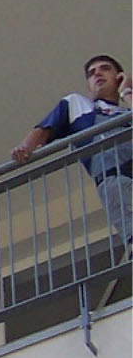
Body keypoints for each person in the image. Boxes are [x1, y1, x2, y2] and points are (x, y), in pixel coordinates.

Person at [12, 54, 133, 248]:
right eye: (91, 73)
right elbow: (43, 129)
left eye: (105, 69)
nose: (97, 74)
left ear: (118, 77)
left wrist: (126, 91)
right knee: (119, 202)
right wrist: (25, 147)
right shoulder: (78, 104)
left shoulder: (127, 111)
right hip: (114, 175)